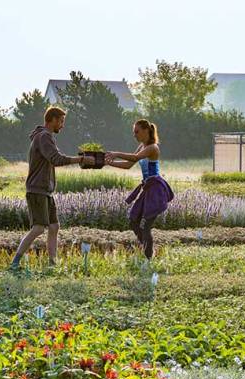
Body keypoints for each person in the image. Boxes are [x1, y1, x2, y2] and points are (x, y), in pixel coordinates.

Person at [10, 106, 95, 269]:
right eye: (61, 121)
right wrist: (81, 160)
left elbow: (54, 159)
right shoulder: (44, 137)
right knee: (38, 228)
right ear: (53, 120)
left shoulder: (45, 137)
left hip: (45, 190)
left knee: (54, 226)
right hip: (37, 189)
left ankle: (52, 263)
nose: (62, 125)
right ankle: (15, 262)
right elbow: (56, 159)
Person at [105, 119, 174, 260]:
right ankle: (149, 250)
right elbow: (128, 165)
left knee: (147, 225)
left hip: (155, 189)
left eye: (136, 132)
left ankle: (148, 258)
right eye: (133, 132)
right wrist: (109, 163)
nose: (134, 135)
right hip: (147, 189)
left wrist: (116, 153)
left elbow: (135, 157)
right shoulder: (142, 146)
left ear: (146, 130)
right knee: (133, 221)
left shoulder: (153, 147)